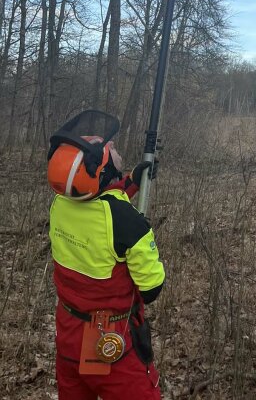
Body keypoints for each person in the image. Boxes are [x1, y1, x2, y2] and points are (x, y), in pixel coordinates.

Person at [47, 110, 165, 400]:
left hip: (67, 333)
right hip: (110, 342)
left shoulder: (61, 204)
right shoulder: (127, 223)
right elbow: (151, 289)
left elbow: (101, 200)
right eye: (109, 151)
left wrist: (133, 180)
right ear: (101, 171)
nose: (111, 148)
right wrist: (141, 237)